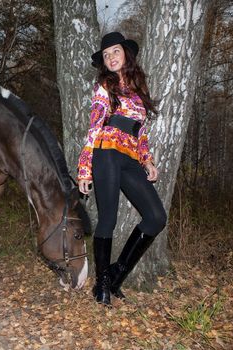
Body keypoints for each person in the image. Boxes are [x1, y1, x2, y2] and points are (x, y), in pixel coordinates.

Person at [78, 32, 167, 306]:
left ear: (125, 53)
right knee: (108, 219)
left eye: (115, 51)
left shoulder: (139, 90)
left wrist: (147, 160)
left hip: (130, 158)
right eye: (106, 55)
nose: (111, 57)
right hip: (106, 153)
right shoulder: (105, 86)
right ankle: (102, 286)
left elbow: (141, 132)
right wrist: (84, 167)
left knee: (156, 217)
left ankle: (116, 275)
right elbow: (94, 126)